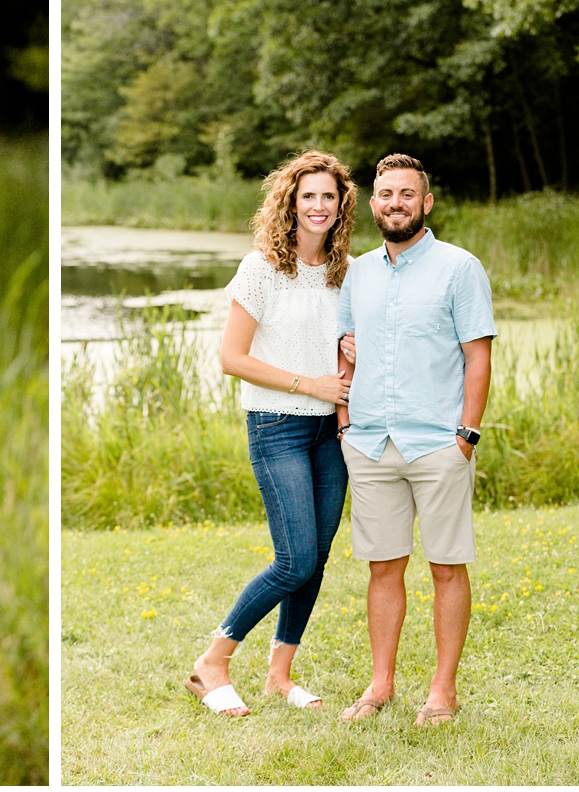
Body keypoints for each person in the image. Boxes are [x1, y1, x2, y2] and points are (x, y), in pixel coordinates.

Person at [184, 150, 356, 717]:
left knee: (318, 556)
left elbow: (341, 350)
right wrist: (310, 384)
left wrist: (353, 354)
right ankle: (213, 662)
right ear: (290, 201)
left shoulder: (344, 271)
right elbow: (232, 357)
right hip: (277, 427)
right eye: (308, 195)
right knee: (294, 559)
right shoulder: (261, 269)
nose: (318, 206)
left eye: (328, 196)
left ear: (341, 204)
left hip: (328, 434)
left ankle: (279, 675)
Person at [335, 153, 493, 726]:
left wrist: (466, 436)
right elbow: (343, 348)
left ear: (425, 203)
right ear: (373, 203)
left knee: (446, 567)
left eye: (407, 193)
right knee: (383, 568)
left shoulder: (459, 268)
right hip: (371, 442)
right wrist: (345, 423)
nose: (395, 202)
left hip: (438, 444)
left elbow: (478, 357)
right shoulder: (358, 272)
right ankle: (380, 687)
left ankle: (442, 692)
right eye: (385, 194)